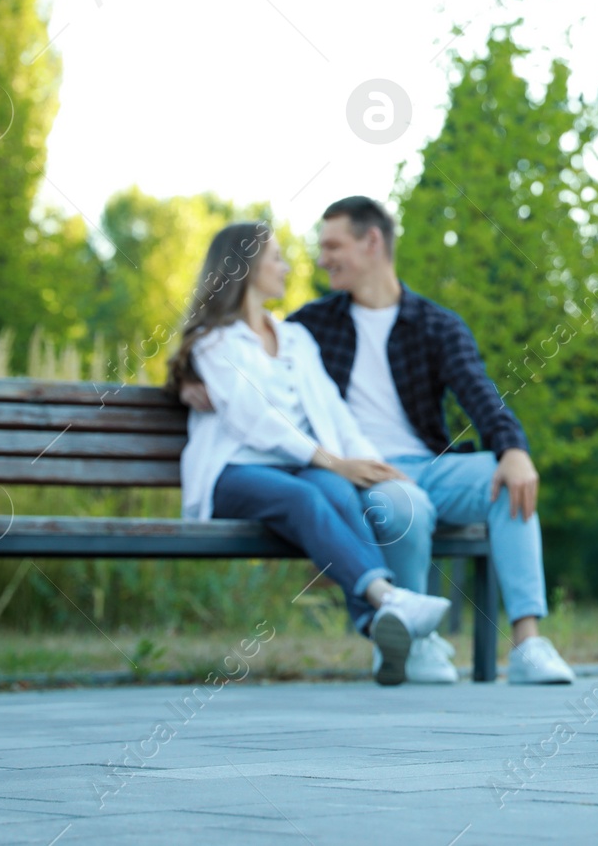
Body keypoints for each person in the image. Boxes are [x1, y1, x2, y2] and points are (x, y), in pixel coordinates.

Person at [184, 197, 575, 684]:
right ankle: (413, 638)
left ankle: (529, 644)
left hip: (425, 463)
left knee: (509, 483)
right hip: (357, 472)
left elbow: (479, 393)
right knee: (401, 505)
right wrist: (185, 381)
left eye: (332, 246)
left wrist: (514, 450)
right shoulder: (312, 324)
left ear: (371, 243)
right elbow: (233, 364)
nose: (320, 258)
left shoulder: (434, 325)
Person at [169, 221, 449, 686]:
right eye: (276, 257)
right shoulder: (214, 342)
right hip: (233, 473)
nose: (287, 266)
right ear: (245, 267)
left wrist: (369, 465)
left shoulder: (296, 339)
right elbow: (251, 418)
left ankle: (378, 621)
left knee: (338, 490)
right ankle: (390, 598)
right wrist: (330, 460)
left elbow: (335, 412)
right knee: (307, 498)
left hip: (300, 466)